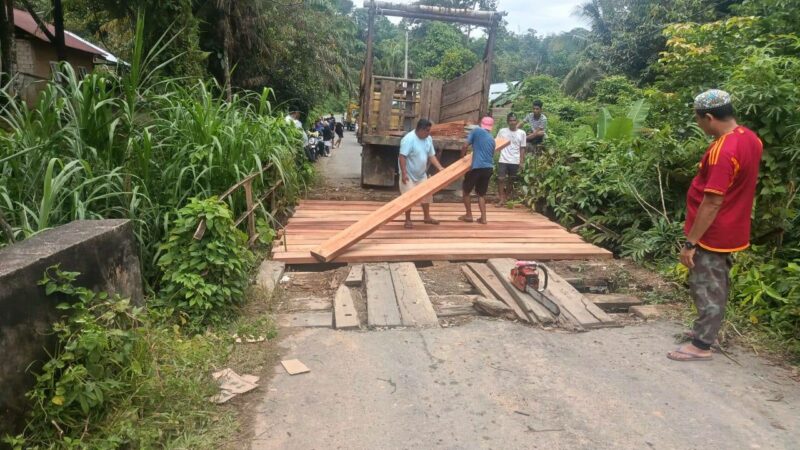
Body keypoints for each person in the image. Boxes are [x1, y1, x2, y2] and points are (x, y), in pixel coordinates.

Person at [667, 89, 763, 362]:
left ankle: (701, 345)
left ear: (709, 117)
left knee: (707, 286)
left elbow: (712, 202)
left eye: (698, 120)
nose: (699, 125)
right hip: (732, 227)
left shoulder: (723, 150)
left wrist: (690, 243)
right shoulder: (750, 138)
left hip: (712, 232)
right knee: (716, 284)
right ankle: (705, 331)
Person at [398, 119, 445, 229]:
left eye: (429, 130)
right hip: (408, 174)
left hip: (421, 174)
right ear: (420, 130)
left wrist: (440, 167)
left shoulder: (428, 139)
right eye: (427, 130)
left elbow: (431, 155)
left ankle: (427, 217)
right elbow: (402, 157)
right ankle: (408, 219)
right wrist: (404, 173)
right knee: (408, 197)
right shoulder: (408, 139)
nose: (429, 133)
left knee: (426, 195)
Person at [459, 116, 496, 225]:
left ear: (481, 124)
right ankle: (483, 218)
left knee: (466, 191)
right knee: (481, 194)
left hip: (477, 167)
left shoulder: (476, 131)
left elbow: (465, 145)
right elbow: (491, 154)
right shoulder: (492, 139)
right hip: (488, 168)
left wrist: (462, 159)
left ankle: (469, 215)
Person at [496, 112, 527, 206]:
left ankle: (506, 196)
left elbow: (522, 148)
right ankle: (501, 198)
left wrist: (521, 161)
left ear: (516, 121)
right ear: (507, 121)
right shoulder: (502, 131)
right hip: (503, 159)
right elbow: (496, 143)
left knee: (512, 179)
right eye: (510, 120)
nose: (512, 122)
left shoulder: (522, 133)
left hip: (515, 159)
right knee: (501, 178)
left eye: (514, 120)